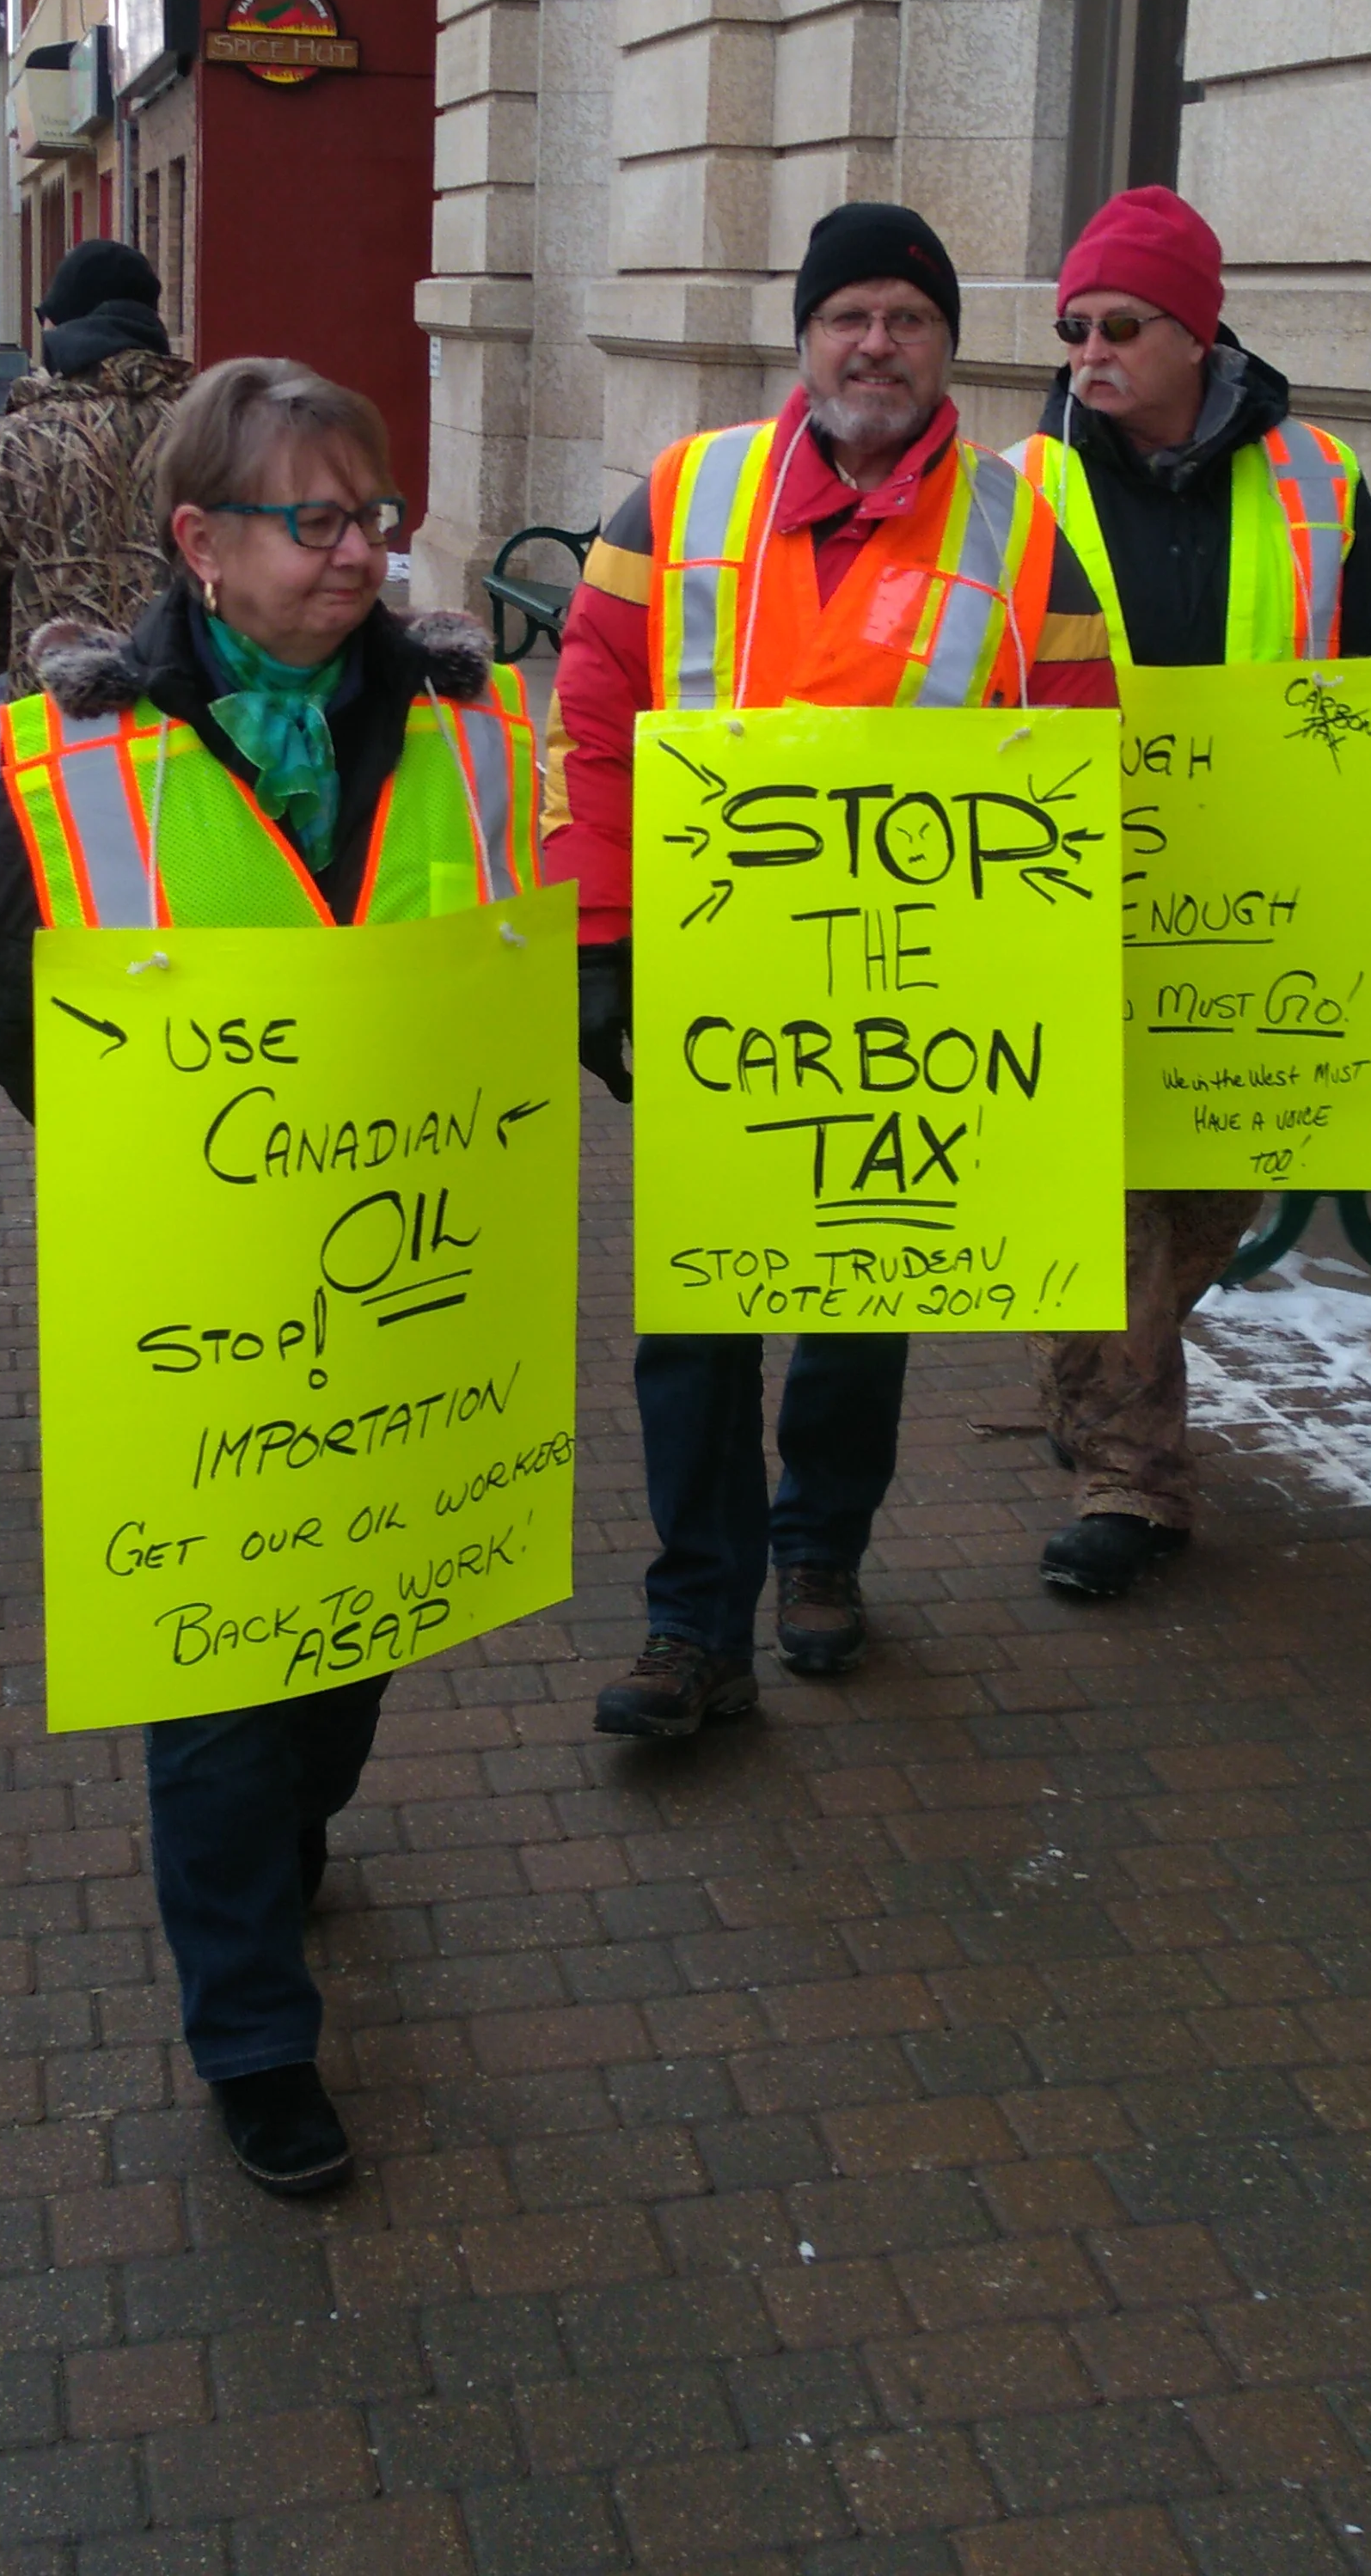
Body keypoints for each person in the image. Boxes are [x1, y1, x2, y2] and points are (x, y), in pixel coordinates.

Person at [0, 357, 539, 2198]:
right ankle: (253, 2035)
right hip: (204, 1305)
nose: (359, 551)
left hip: (402, 1298)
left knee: (350, 1652)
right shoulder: (90, 745)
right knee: (219, 1685)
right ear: (202, 542)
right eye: (318, 520)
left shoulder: (462, 728)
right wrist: (162, 1161)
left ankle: (291, 1841)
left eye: (376, 516)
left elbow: (511, 968)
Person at [547, 202, 1116, 1742]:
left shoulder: (1024, 527)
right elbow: (590, 722)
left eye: (909, 320)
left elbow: (1074, 745)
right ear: (806, 336)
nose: (878, 344)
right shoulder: (682, 493)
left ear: (947, 348)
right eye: (851, 314)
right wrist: (596, 940)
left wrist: (1046, 976)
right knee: (698, 1323)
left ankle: (823, 1560)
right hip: (713, 994)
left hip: (906, 1015)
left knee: (866, 1307)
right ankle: (692, 1623)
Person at [1007, 183, 1371, 1600]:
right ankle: (1135, 1481)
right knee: (1108, 1195)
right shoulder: (1023, 489)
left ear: (1196, 331)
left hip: (1266, 915)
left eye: (1119, 323)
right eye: (1072, 327)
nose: (1088, 351)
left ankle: (1090, 1387)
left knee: (1209, 1203)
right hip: (1084, 896)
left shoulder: (1319, 480)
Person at [0, 239, 193, 697]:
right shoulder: (212, 432)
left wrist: (23, 651)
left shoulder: (18, 444)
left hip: (55, 721)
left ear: (64, 324)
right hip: (189, 719)